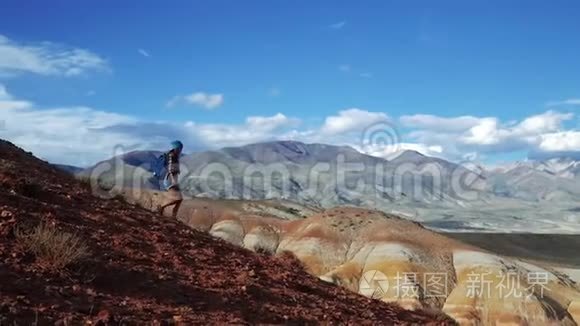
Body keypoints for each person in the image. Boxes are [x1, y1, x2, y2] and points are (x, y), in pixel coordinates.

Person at [157, 140, 184, 218]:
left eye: (181, 148)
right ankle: (161, 207)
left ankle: (173, 216)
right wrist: (174, 181)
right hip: (170, 180)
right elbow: (171, 169)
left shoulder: (174, 156)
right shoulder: (172, 156)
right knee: (177, 198)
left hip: (172, 179)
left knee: (180, 199)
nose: (180, 150)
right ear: (176, 148)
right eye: (180, 148)